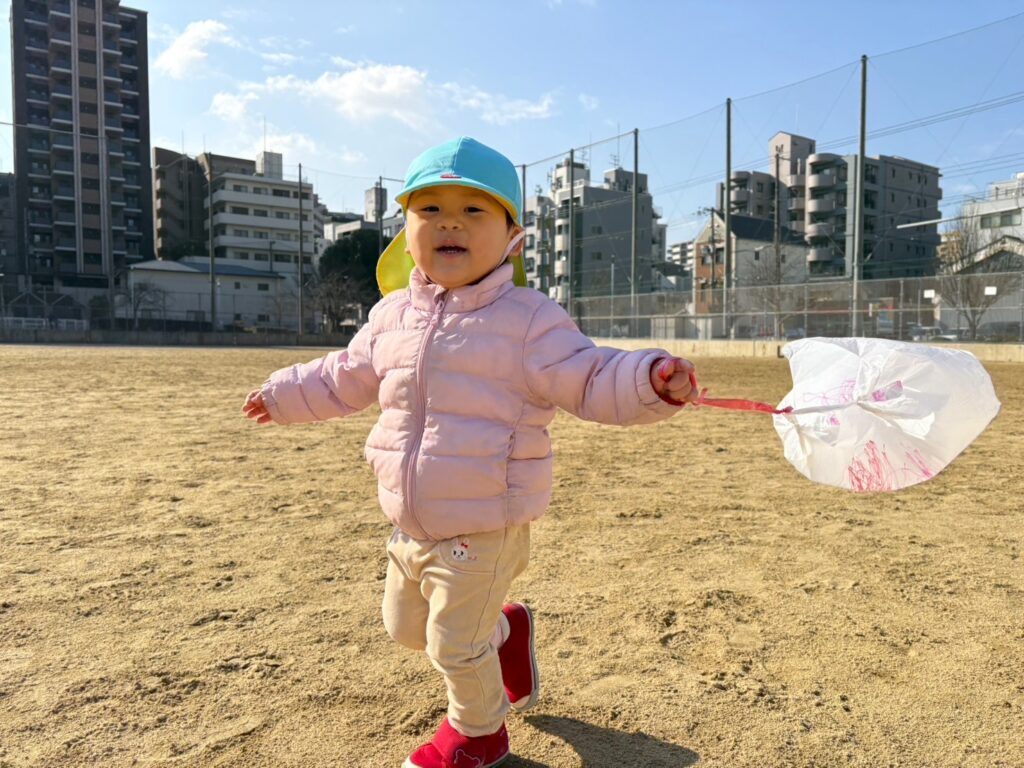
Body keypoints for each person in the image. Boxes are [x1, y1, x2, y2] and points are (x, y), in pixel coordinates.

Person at [242, 137, 697, 768]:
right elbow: (343, 375)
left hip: (485, 522)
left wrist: (648, 378)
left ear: (514, 237)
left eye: (474, 210)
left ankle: (479, 735)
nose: (449, 221)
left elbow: (589, 376)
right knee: (406, 630)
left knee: (453, 646)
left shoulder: (530, 321)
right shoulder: (390, 315)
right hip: (409, 520)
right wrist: (283, 393)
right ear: (405, 232)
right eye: (429, 209)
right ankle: (506, 634)